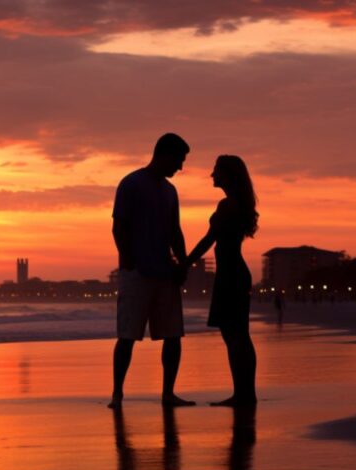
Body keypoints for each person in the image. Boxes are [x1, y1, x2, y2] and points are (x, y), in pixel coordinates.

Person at [110, 133, 195, 409]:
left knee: (172, 334)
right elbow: (118, 226)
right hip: (137, 274)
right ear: (164, 154)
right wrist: (130, 261)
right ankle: (117, 394)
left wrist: (182, 264)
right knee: (128, 335)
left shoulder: (170, 191)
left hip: (165, 273)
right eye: (179, 160)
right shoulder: (131, 184)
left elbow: (175, 232)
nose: (180, 167)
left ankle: (168, 393)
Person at [182, 155, 259, 406]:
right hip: (233, 273)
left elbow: (208, 240)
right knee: (238, 335)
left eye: (216, 170)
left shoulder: (228, 206)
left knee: (235, 335)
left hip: (231, 275)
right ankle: (246, 393)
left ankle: (243, 394)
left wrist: (183, 263)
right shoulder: (237, 204)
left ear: (228, 175)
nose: (212, 175)